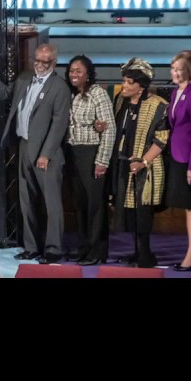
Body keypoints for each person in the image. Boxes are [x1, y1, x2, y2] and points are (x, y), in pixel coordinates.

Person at [0, 43, 71, 264]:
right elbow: (3, 93)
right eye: (36, 60)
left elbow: (59, 125)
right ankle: (31, 247)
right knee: (26, 199)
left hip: (47, 152)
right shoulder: (25, 78)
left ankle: (53, 249)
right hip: (24, 145)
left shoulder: (60, 88)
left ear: (54, 63)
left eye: (44, 62)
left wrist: (46, 154)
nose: (39, 65)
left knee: (51, 202)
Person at [110, 57, 169, 268]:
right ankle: (136, 252)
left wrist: (143, 161)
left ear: (141, 86)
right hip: (124, 162)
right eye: (124, 81)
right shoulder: (121, 100)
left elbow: (161, 139)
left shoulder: (159, 106)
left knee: (143, 212)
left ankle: (145, 254)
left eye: (129, 82)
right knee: (130, 212)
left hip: (147, 167)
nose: (124, 85)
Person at [64, 54, 116, 266]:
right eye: (71, 71)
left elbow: (109, 129)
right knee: (80, 204)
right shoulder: (71, 95)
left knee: (95, 205)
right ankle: (83, 248)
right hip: (73, 154)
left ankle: (97, 251)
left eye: (79, 71)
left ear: (88, 74)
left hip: (92, 153)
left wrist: (102, 161)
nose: (74, 74)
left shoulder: (98, 94)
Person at [165, 50, 191, 271]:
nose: (175, 72)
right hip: (175, 155)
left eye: (179, 69)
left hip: (189, 158)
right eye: (173, 68)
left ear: (189, 71)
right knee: (185, 206)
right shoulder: (175, 93)